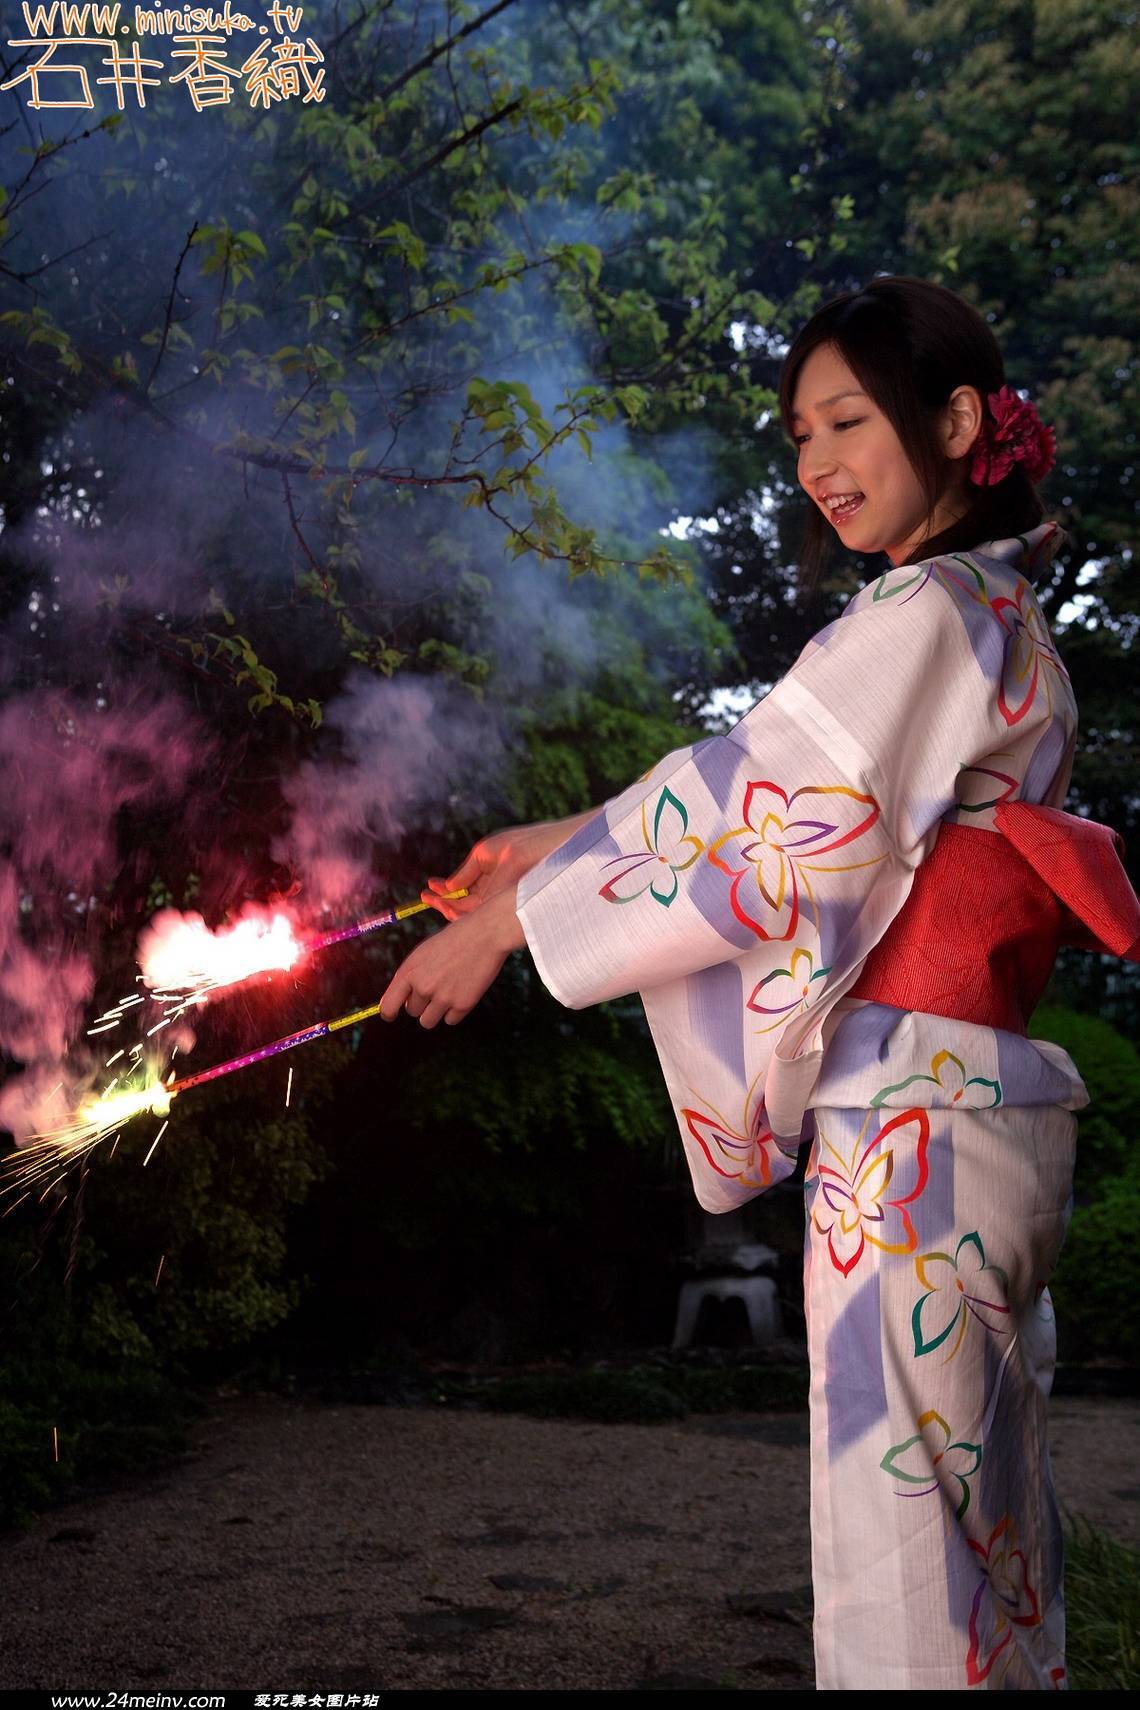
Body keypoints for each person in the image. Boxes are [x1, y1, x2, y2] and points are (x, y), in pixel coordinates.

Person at [378, 276, 1140, 1690]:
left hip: (910, 1131)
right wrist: (556, 849)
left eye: (848, 419)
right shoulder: (994, 613)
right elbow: (765, 788)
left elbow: (773, 819)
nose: (814, 463)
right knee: (988, 1542)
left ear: (959, 418)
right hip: (983, 1112)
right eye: (798, 433)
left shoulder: (927, 609)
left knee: (907, 1568)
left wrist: (514, 929)